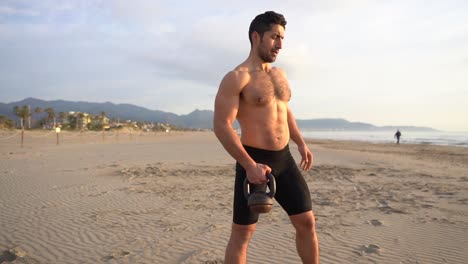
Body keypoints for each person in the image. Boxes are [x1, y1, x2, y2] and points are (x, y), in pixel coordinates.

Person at [213, 11, 319, 264]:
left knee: (306, 222)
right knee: (242, 233)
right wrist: (250, 166)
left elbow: (284, 110)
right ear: (256, 36)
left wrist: (300, 142)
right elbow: (221, 126)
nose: (280, 45)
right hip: (254, 160)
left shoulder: (279, 75)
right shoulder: (237, 77)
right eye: (274, 37)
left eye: (282, 38)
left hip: (284, 159)